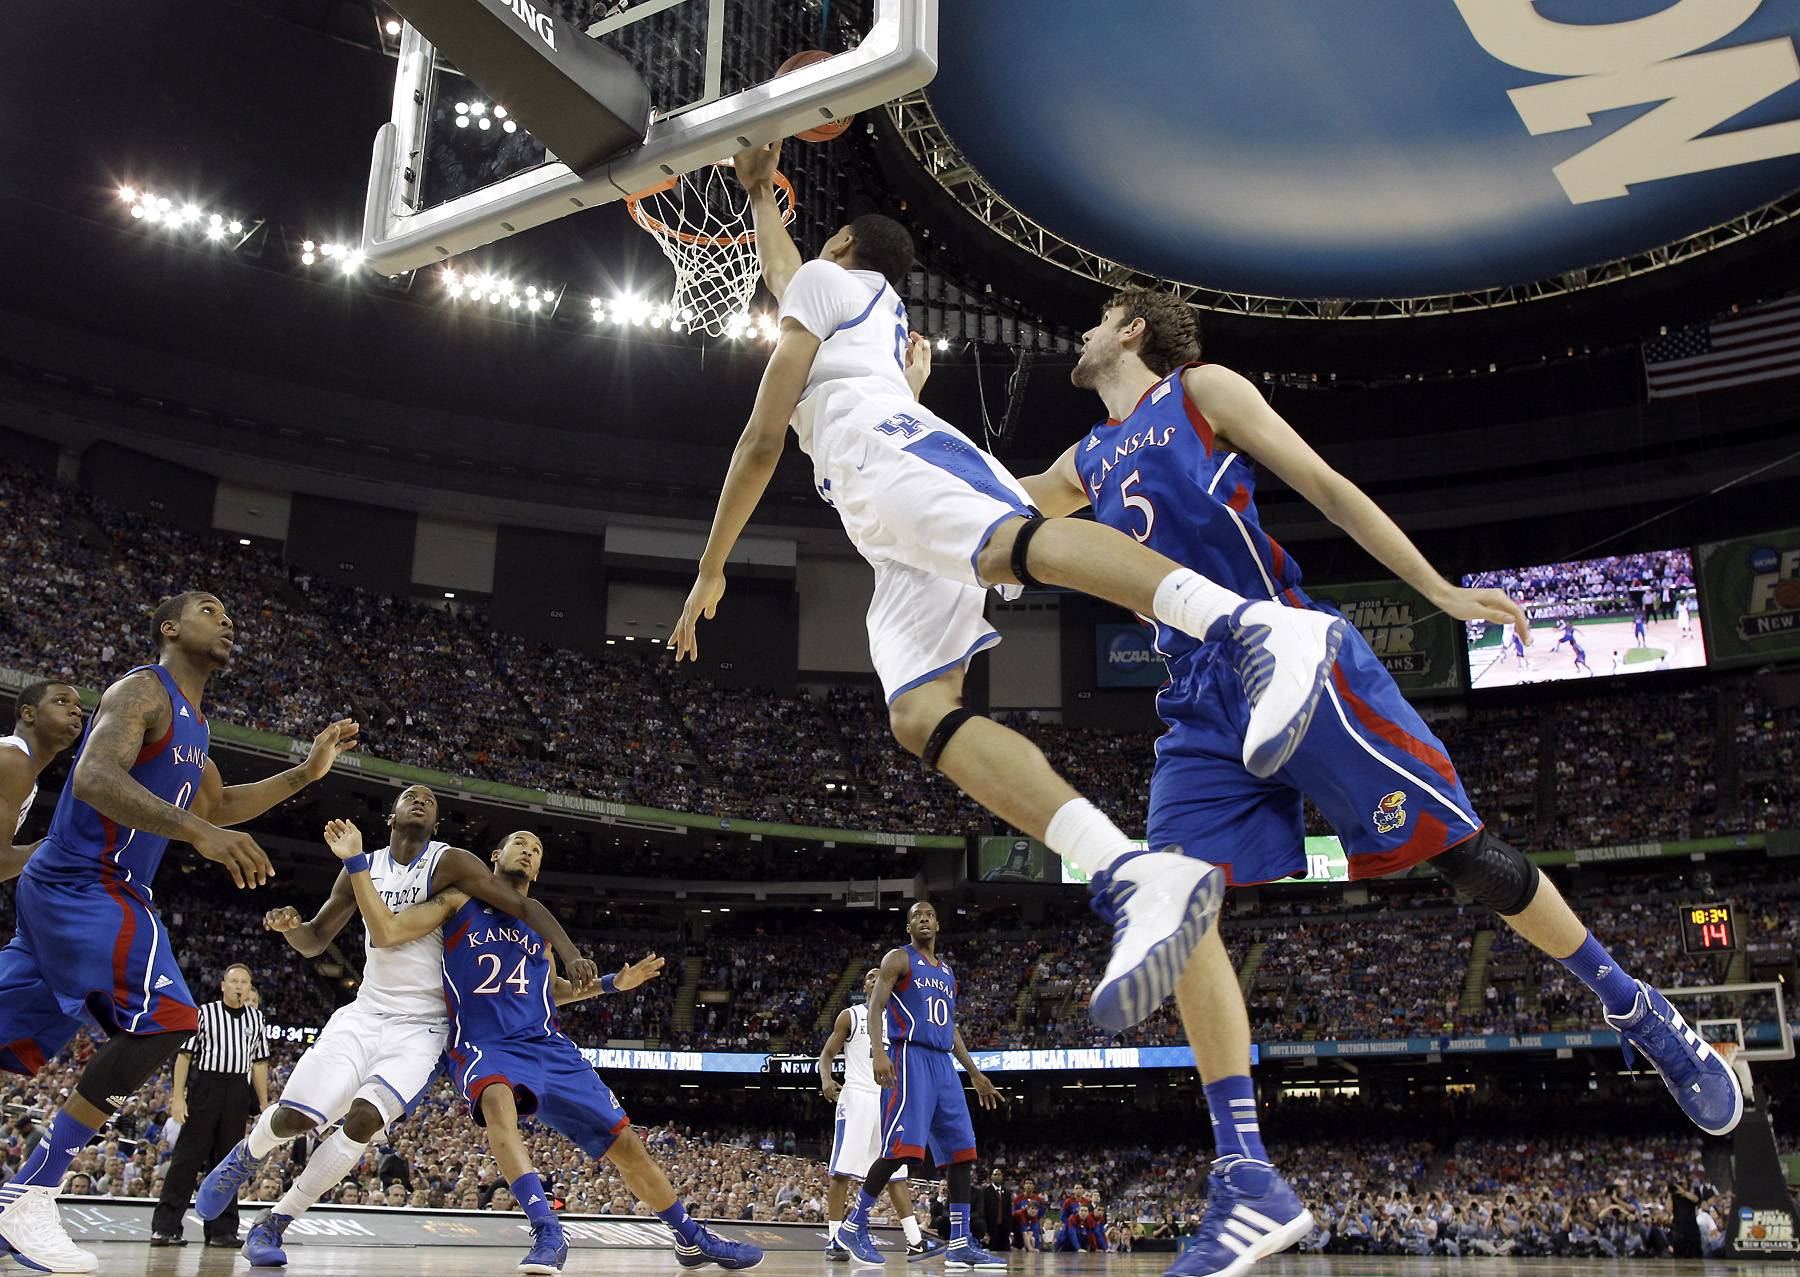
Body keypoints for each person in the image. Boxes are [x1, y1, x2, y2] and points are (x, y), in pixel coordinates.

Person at [1017, 291, 1746, 1277]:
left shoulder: (1201, 391)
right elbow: (1000, 497)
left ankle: (1639, 1010)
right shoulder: (1085, 458)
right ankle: (1243, 1174)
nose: (1083, 330)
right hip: (1196, 700)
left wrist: (1436, 589)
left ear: (1135, 329)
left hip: (1289, 654)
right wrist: (875, 436)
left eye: (1097, 315)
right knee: (1172, 902)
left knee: (1466, 857)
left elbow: (1323, 482)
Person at [673, 141, 1360, 1035]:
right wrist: (762, 193)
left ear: (839, 245)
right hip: (877, 499)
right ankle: (1125, 866)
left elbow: (762, 438)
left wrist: (710, 564)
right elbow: (783, 269)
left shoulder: (834, 292)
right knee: (920, 714)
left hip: (890, 458)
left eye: (812, 251)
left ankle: (1245, 624)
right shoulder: (847, 300)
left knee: (1011, 547)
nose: (788, 274)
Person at [0, 591, 356, 1273]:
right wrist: (200, 833)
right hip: (92, 879)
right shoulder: (142, 689)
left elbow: (222, 803)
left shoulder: (194, 725)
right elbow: (98, 774)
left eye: (229, 615)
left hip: (75, 890)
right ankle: (33, 1188)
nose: (227, 620)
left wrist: (307, 773)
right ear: (169, 627)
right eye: (209, 608)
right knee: (168, 1016)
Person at [326, 822, 760, 1272]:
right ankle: (546, 1228)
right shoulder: (458, 901)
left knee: (626, 1144)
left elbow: (550, 990)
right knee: (497, 1101)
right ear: (495, 854)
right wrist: (358, 865)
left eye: (537, 847)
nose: (529, 850)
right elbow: (390, 929)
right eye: (520, 842)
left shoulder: (537, 923)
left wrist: (613, 983)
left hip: (547, 1045)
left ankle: (690, 1237)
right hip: (484, 1043)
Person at [194, 788, 601, 1266]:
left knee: (364, 1120)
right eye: (411, 795)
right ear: (391, 814)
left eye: (430, 800)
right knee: (295, 1119)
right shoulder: (362, 865)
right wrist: (291, 928)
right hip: (365, 1014)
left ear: (436, 822)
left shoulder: (450, 863)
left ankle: (273, 1224)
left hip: (424, 1028)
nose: (421, 800)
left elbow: (525, 907)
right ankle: (246, 1154)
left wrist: (572, 953)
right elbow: (315, 941)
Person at [834, 902, 1004, 1270]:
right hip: (909, 1057)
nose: (923, 919)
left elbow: (951, 1027)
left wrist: (974, 1072)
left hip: (943, 1063)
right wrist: (879, 1053)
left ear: (938, 925)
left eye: (929, 915)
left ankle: (959, 1243)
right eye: (916, 916)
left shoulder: (946, 972)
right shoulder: (899, 959)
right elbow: (876, 1005)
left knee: (963, 1152)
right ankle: (852, 1225)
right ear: (909, 926)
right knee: (903, 1150)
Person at [818, 967, 939, 1261]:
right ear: (865, 985)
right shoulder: (851, 1015)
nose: (876, 979)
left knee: (897, 1173)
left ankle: (915, 1241)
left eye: (880, 976)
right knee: (842, 1170)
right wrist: (826, 1078)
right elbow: (826, 1055)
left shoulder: (900, 1019)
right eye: (871, 976)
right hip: (857, 1095)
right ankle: (835, 1240)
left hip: (889, 1101)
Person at [151, 962, 270, 1247]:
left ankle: (222, 1230)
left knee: (228, 1163)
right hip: (206, 1087)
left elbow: (260, 1064)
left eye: (245, 982)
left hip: (237, 1091)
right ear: (223, 985)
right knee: (186, 1159)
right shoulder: (204, 1013)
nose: (240, 986)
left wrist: (264, 1105)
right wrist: (178, 1096)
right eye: (234, 981)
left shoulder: (256, 1019)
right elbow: (184, 1056)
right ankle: (165, 1228)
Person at [0, 679, 84, 872]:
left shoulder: (20, 763)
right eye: (62, 701)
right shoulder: (13, 760)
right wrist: (55, 848)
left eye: (78, 706)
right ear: (28, 713)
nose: (77, 711)